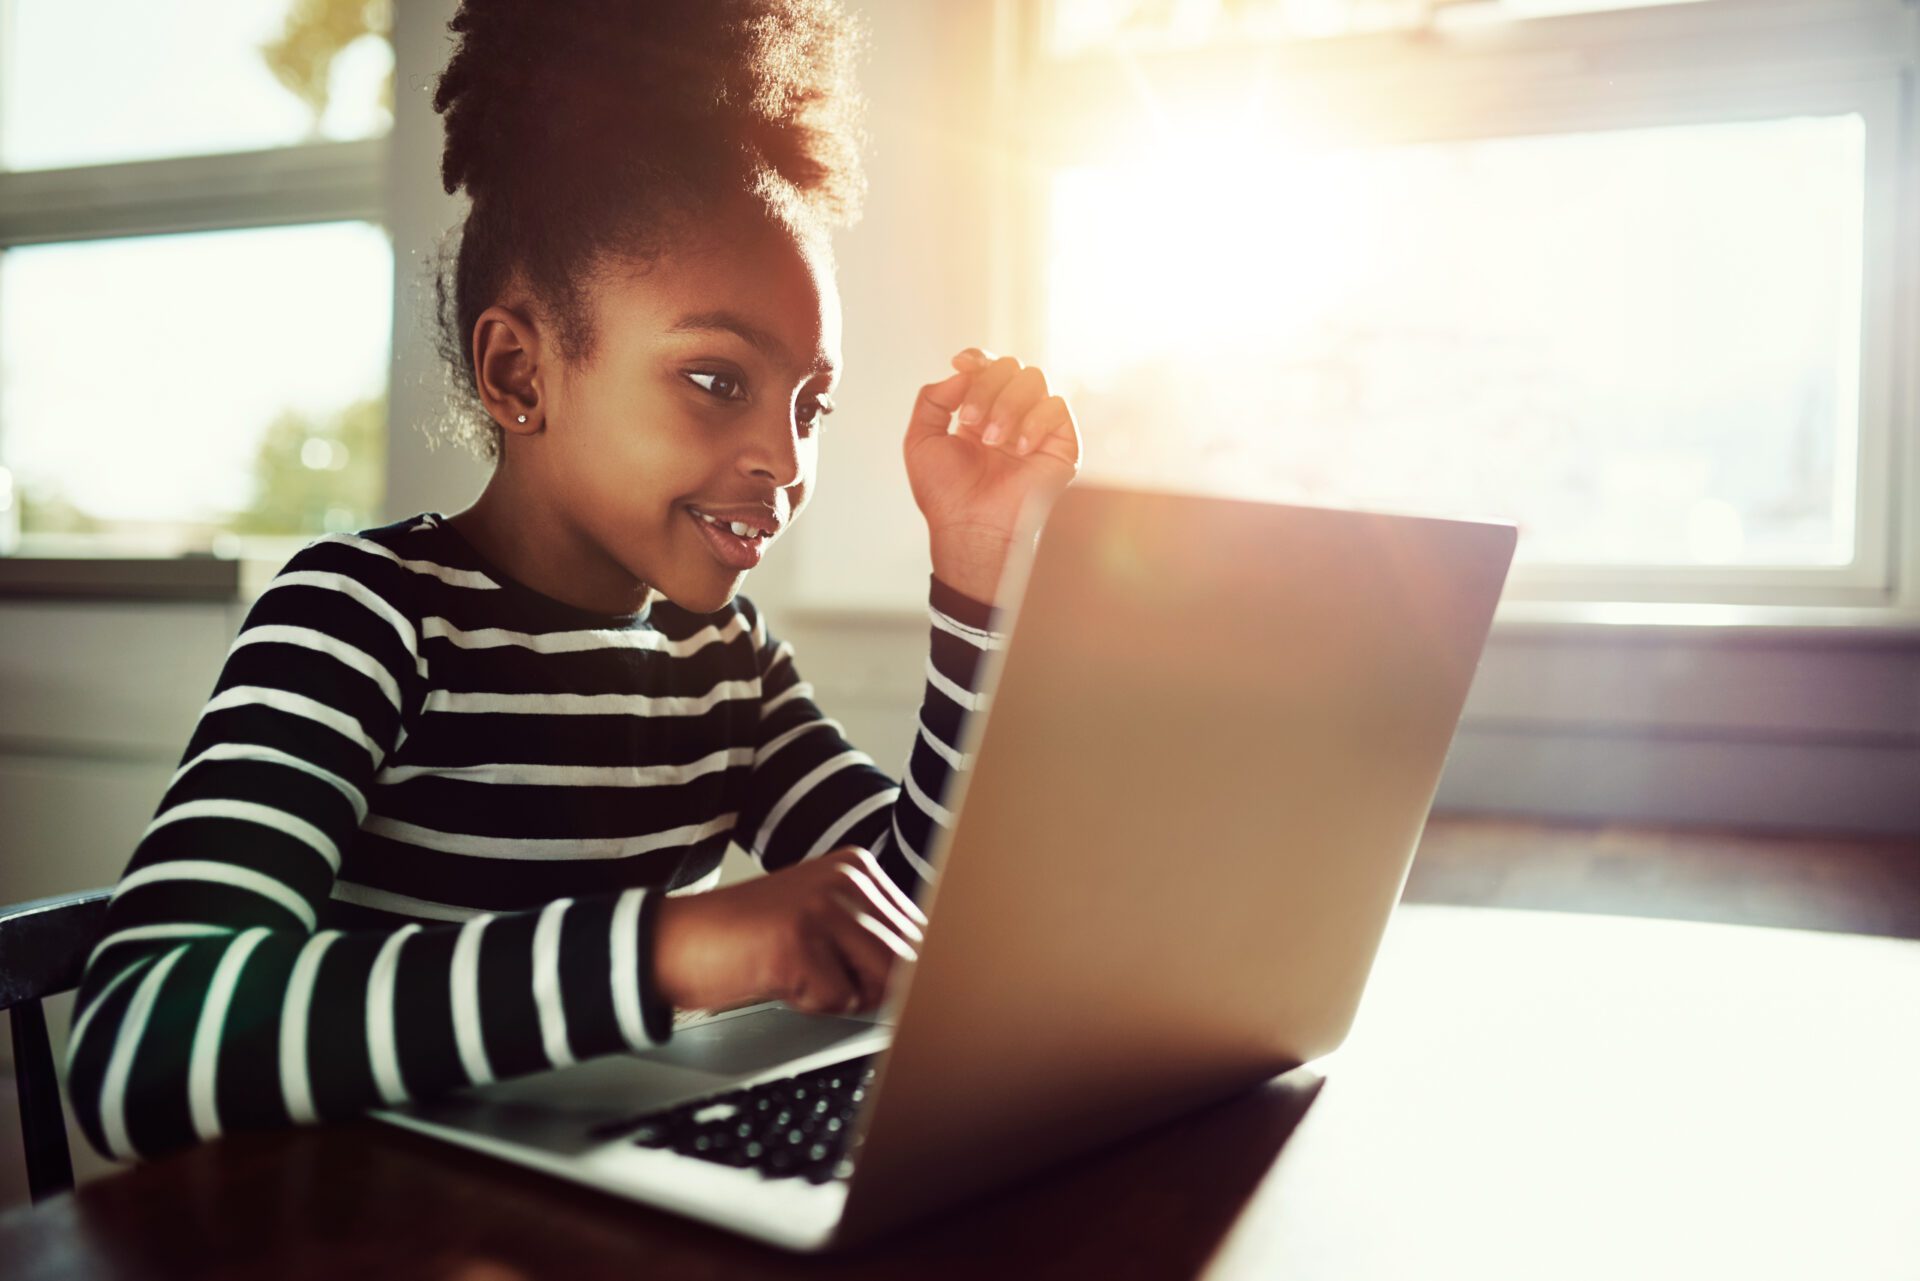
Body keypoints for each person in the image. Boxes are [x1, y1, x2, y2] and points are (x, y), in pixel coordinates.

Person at [63, 0, 1079, 1164]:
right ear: (519, 372)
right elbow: (137, 1044)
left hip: (587, 1212)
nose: (786, 461)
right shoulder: (363, 620)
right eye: (715, 379)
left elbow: (926, 930)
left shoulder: (726, 670)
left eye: (812, 405)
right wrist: (670, 950)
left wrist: (981, 582)